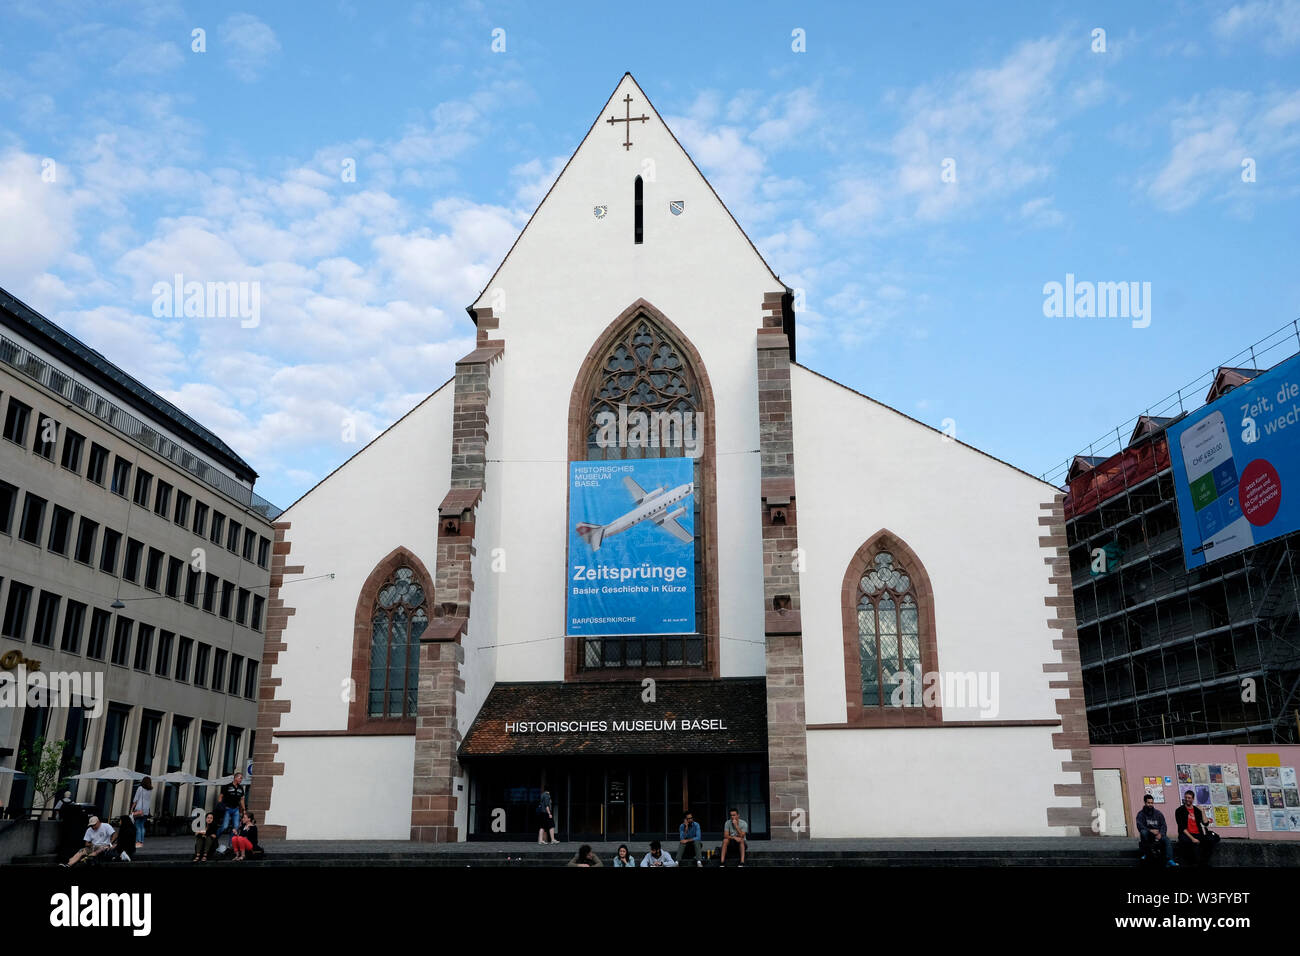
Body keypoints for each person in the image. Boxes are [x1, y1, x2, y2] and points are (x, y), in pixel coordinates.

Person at [1175, 790, 1219, 866]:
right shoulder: (1179, 810)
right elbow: (1182, 827)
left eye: (1189, 798)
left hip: (1198, 833)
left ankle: (1204, 862)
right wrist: (1193, 839)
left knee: (1209, 843)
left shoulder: (1196, 810)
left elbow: (1205, 823)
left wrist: (1202, 811)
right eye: (1186, 798)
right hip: (1186, 835)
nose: (1187, 799)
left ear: (1193, 799)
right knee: (1192, 846)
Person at [1136, 794, 1177, 867]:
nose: (1150, 805)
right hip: (1148, 834)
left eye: (1151, 803)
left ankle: (1170, 860)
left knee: (1167, 840)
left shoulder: (1158, 813)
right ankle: (1147, 853)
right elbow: (1140, 826)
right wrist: (1150, 830)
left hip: (1158, 834)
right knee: (1143, 832)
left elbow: (1163, 825)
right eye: (1148, 803)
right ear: (1145, 803)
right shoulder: (1140, 814)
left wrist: (1161, 834)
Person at [218, 772, 246, 837]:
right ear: (235, 778)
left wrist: (244, 810)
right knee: (225, 826)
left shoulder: (241, 788)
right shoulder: (227, 786)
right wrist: (220, 805)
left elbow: (242, 799)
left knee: (236, 827)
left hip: (236, 809)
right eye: (240, 778)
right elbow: (220, 796)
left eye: (241, 779)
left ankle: (231, 845)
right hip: (227, 809)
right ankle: (215, 837)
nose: (241, 780)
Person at [129, 776, 154, 849]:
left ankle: (138, 842)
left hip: (139, 810)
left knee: (137, 826)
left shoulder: (140, 788)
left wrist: (132, 808)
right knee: (142, 826)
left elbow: (136, 799)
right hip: (145, 811)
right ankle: (141, 841)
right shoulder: (150, 790)